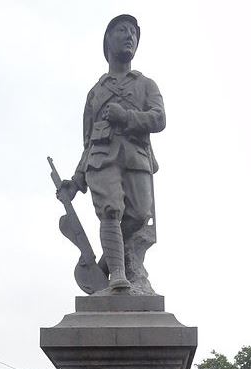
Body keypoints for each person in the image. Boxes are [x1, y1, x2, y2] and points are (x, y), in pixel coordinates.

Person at [57, 14, 165, 294]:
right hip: (102, 158)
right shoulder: (96, 93)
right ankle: (117, 273)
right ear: (108, 40)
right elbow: (88, 142)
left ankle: (104, 266)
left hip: (137, 159)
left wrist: (126, 116)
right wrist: (76, 181)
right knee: (110, 211)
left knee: (139, 215)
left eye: (133, 32)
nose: (129, 36)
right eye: (122, 30)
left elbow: (158, 119)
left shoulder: (146, 85)